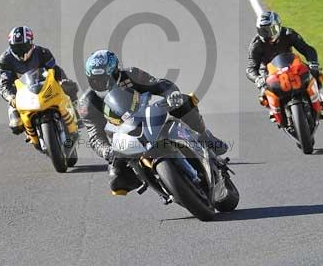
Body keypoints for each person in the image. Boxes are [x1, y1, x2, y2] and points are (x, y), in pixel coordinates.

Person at [79, 49, 228, 195]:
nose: (103, 83)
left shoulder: (132, 74)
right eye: (96, 80)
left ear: (117, 71)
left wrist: (171, 94)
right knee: (116, 181)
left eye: (108, 77)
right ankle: (155, 183)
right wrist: (106, 151)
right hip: (121, 140)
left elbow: (159, 84)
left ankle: (205, 136)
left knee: (183, 101)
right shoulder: (87, 103)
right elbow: (95, 136)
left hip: (146, 116)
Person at [0, 26, 79, 135]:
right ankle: (29, 131)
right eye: (16, 47)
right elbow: (5, 83)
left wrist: (61, 81)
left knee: (68, 86)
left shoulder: (43, 52)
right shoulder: (5, 59)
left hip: (44, 86)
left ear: (31, 43)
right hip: (21, 93)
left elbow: (55, 70)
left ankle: (75, 109)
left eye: (23, 46)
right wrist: (10, 97)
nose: (20, 51)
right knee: (15, 124)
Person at [246, 11, 323, 111]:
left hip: (291, 65)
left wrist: (313, 62)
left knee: (315, 73)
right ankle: (275, 113)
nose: (267, 35)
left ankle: (317, 100)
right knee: (263, 96)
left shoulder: (288, 33)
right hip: (269, 73)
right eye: (263, 31)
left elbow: (306, 49)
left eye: (271, 30)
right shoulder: (256, 45)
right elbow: (251, 68)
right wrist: (258, 79)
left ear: (278, 26)